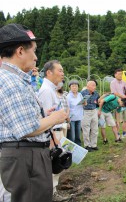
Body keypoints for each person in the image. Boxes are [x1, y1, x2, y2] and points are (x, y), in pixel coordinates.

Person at [0, 23, 67, 202]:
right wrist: (54, 118)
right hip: (25, 158)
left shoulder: (14, 79)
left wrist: (42, 113)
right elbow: (26, 128)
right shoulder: (12, 82)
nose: (36, 57)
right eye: (34, 51)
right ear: (20, 51)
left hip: (25, 156)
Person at [38, 60, 70, 202]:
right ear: (49, 72)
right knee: (54, 164)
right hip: (51, 134)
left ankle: (53, 191)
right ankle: (51, 194)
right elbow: (45, 120)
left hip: (55, 131)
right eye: (60, 70)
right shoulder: (46, 91)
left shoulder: (50, 89)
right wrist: (53, 139)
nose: (62, 74)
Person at [110, 69, 126, 138]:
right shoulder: (113, 83)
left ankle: (124, 133)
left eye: (121, 74)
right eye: (119, 74)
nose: (120, 75)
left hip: (125, 103)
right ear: (115, 75)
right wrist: (123, 97)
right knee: (118, 120)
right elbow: (114, 93)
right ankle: (118, 134)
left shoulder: (124, 82)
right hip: (118, 103)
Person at [81, 81, 100, 152]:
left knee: (95, 128)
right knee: (86, 129)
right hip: (85, 111)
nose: (94, 87)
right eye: (92, 85)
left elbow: (98, 101)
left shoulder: (96, 93)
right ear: (88, 86)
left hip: (94, 111)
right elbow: (80, 103)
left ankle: (94, 145)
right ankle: (87, 145)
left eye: (95, 85)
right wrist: (83, 103)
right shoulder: (82, 93)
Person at [67, 80, 84, 146]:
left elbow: (83, 103)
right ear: (70, 87)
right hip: (72, 118)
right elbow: (67, 107)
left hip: (79, 117)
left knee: (78, 135)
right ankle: (71, 150)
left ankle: (78, 148)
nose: (74, 87)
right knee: (72, 136)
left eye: (76, 86)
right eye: (72, 86)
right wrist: (68, 118)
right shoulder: (68, 96)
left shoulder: (80, 95)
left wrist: (84, 103)